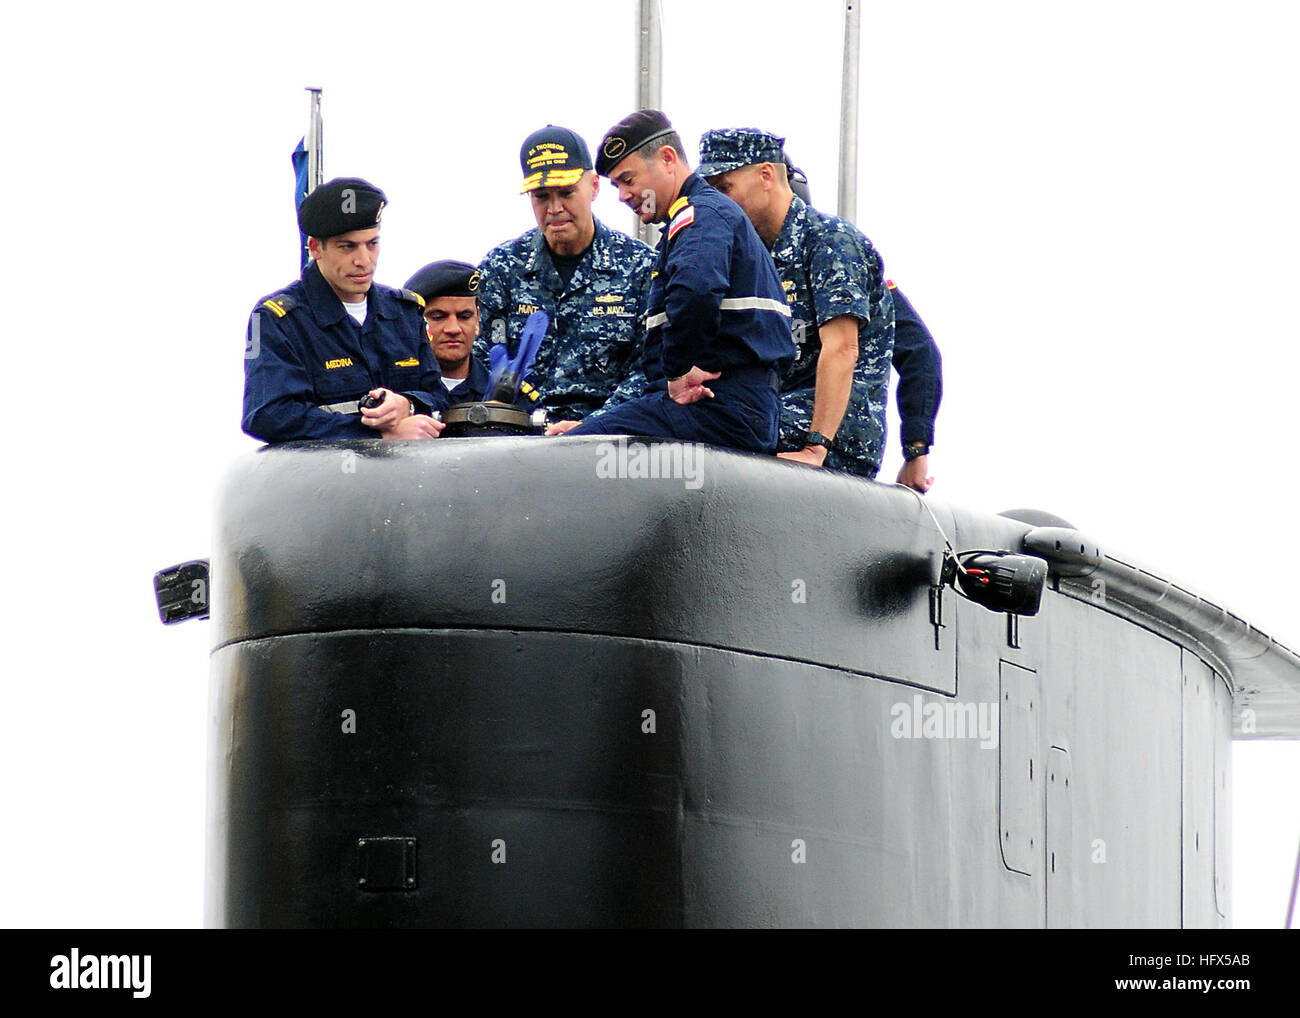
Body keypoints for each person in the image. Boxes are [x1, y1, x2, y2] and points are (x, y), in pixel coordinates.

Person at [566, 110, 795, 453]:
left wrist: (678, 372)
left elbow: (696, 290)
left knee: (577, 451)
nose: (623, 195)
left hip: (721, 406)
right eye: (616, 186)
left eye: (628, 180)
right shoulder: (694, 220)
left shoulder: (699, 214)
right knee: (592, 433)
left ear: (668, 159)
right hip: (729, 407)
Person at [696, 128, 916, 484]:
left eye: (725, 189)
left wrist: (816, 448)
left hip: (830, 430)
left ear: (766, 175)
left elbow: (843, 348)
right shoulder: (746, 254)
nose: (718, 203)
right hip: (767, 411)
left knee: (708, 432)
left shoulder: (830, 241)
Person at [475, 125, 655, 426]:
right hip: (517, 440)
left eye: (567, 192)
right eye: (541, 196)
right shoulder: (502, 267)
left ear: (594, 187)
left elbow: (648, 368)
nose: (555, 208)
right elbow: (483, 356)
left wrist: (592, 425)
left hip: (603, 439)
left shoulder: (640, 268)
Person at [243, 177, 446, 443]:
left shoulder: (405, 312)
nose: (363, 260)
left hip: (408, 480)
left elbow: (440, 396)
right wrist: (377, 434)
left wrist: (405, 404)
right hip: (327, 481)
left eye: (372, 244)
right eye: (347, 246)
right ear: (315, 248)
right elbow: (267, 415)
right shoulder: (277, 320)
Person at [403, 259, 540, 409]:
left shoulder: (512, 397)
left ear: (477, 321)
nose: (454, 329)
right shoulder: (396, 392)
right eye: (438, 317)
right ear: (413, 322)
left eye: (464, 316)